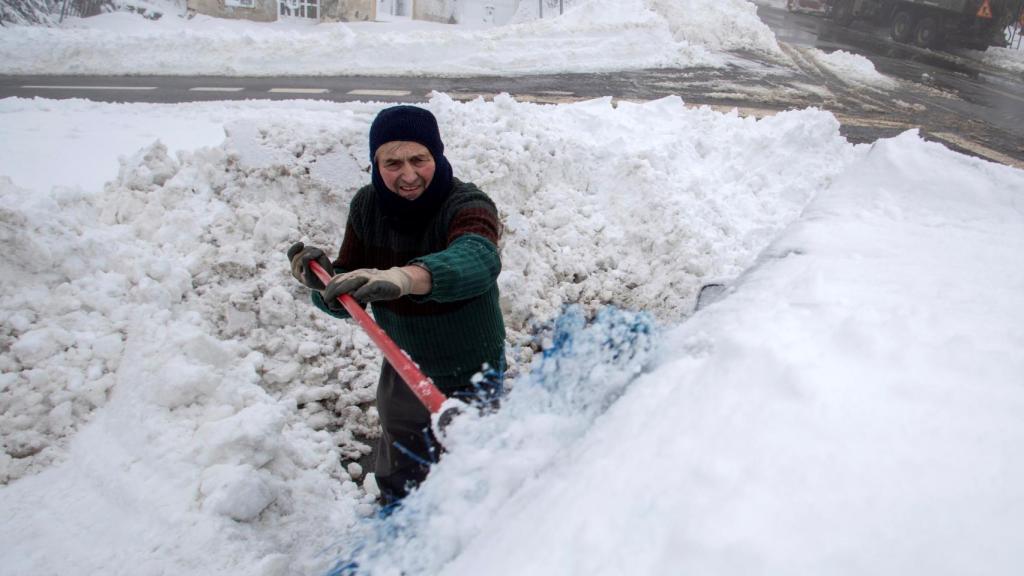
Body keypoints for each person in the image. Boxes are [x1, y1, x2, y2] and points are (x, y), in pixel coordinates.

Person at [287, 105, 506, 504]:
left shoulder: (467, 204)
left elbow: (479, 258)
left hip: (471, 367)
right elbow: (349, 297)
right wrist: (324, 285)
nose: (407, 175)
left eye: (418, 159)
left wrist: (404, 278)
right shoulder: (367, 206)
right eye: (392, 162)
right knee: (402, 474)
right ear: (375, 162)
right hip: (402, 364)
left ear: (436, 157)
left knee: (476, 479)